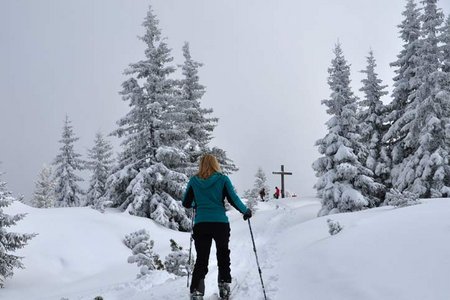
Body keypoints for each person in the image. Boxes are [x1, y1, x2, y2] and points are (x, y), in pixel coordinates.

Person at [182, 154, 252, 300]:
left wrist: (197, 204)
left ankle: (196, 291)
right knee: (223, 254)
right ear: (215, 164)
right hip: (220, 223)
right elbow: (233, 199)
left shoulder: (194, 181)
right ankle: (224, 286)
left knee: (202, 258)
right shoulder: (222, 179)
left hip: (201, 224)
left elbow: (186, 202)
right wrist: (245, 211)